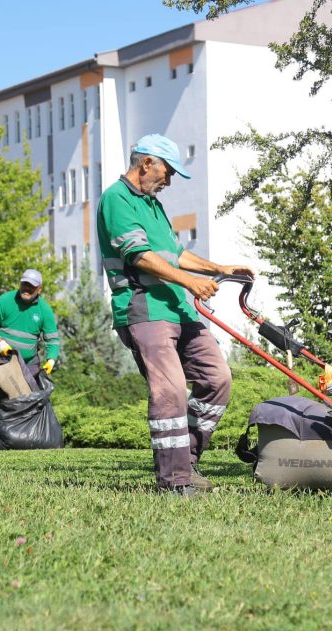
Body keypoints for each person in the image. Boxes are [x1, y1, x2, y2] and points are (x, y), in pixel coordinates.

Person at [97, 134, 254, 497]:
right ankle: (174, 480)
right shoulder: (117, 200)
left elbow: (174, 253)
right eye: (167, 172)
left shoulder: (152, 205)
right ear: (147, 163)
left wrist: (219, 269)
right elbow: (140, 256)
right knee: (170, 391)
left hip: (177, 307)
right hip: (144, 308)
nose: (168, 181)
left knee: (218, 378)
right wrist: (191, 282)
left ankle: (189, 459)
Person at [0, 269, 61, 441]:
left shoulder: (44, 311)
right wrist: (0, 343)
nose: (26, 289)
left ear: (39, 289)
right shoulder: (5, 301)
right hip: (1, 361)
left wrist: (51, 360)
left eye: (31, 287)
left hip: (29, 365)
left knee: (26, 403)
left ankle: (23, 440)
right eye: (24, 284)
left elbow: (52, 340)